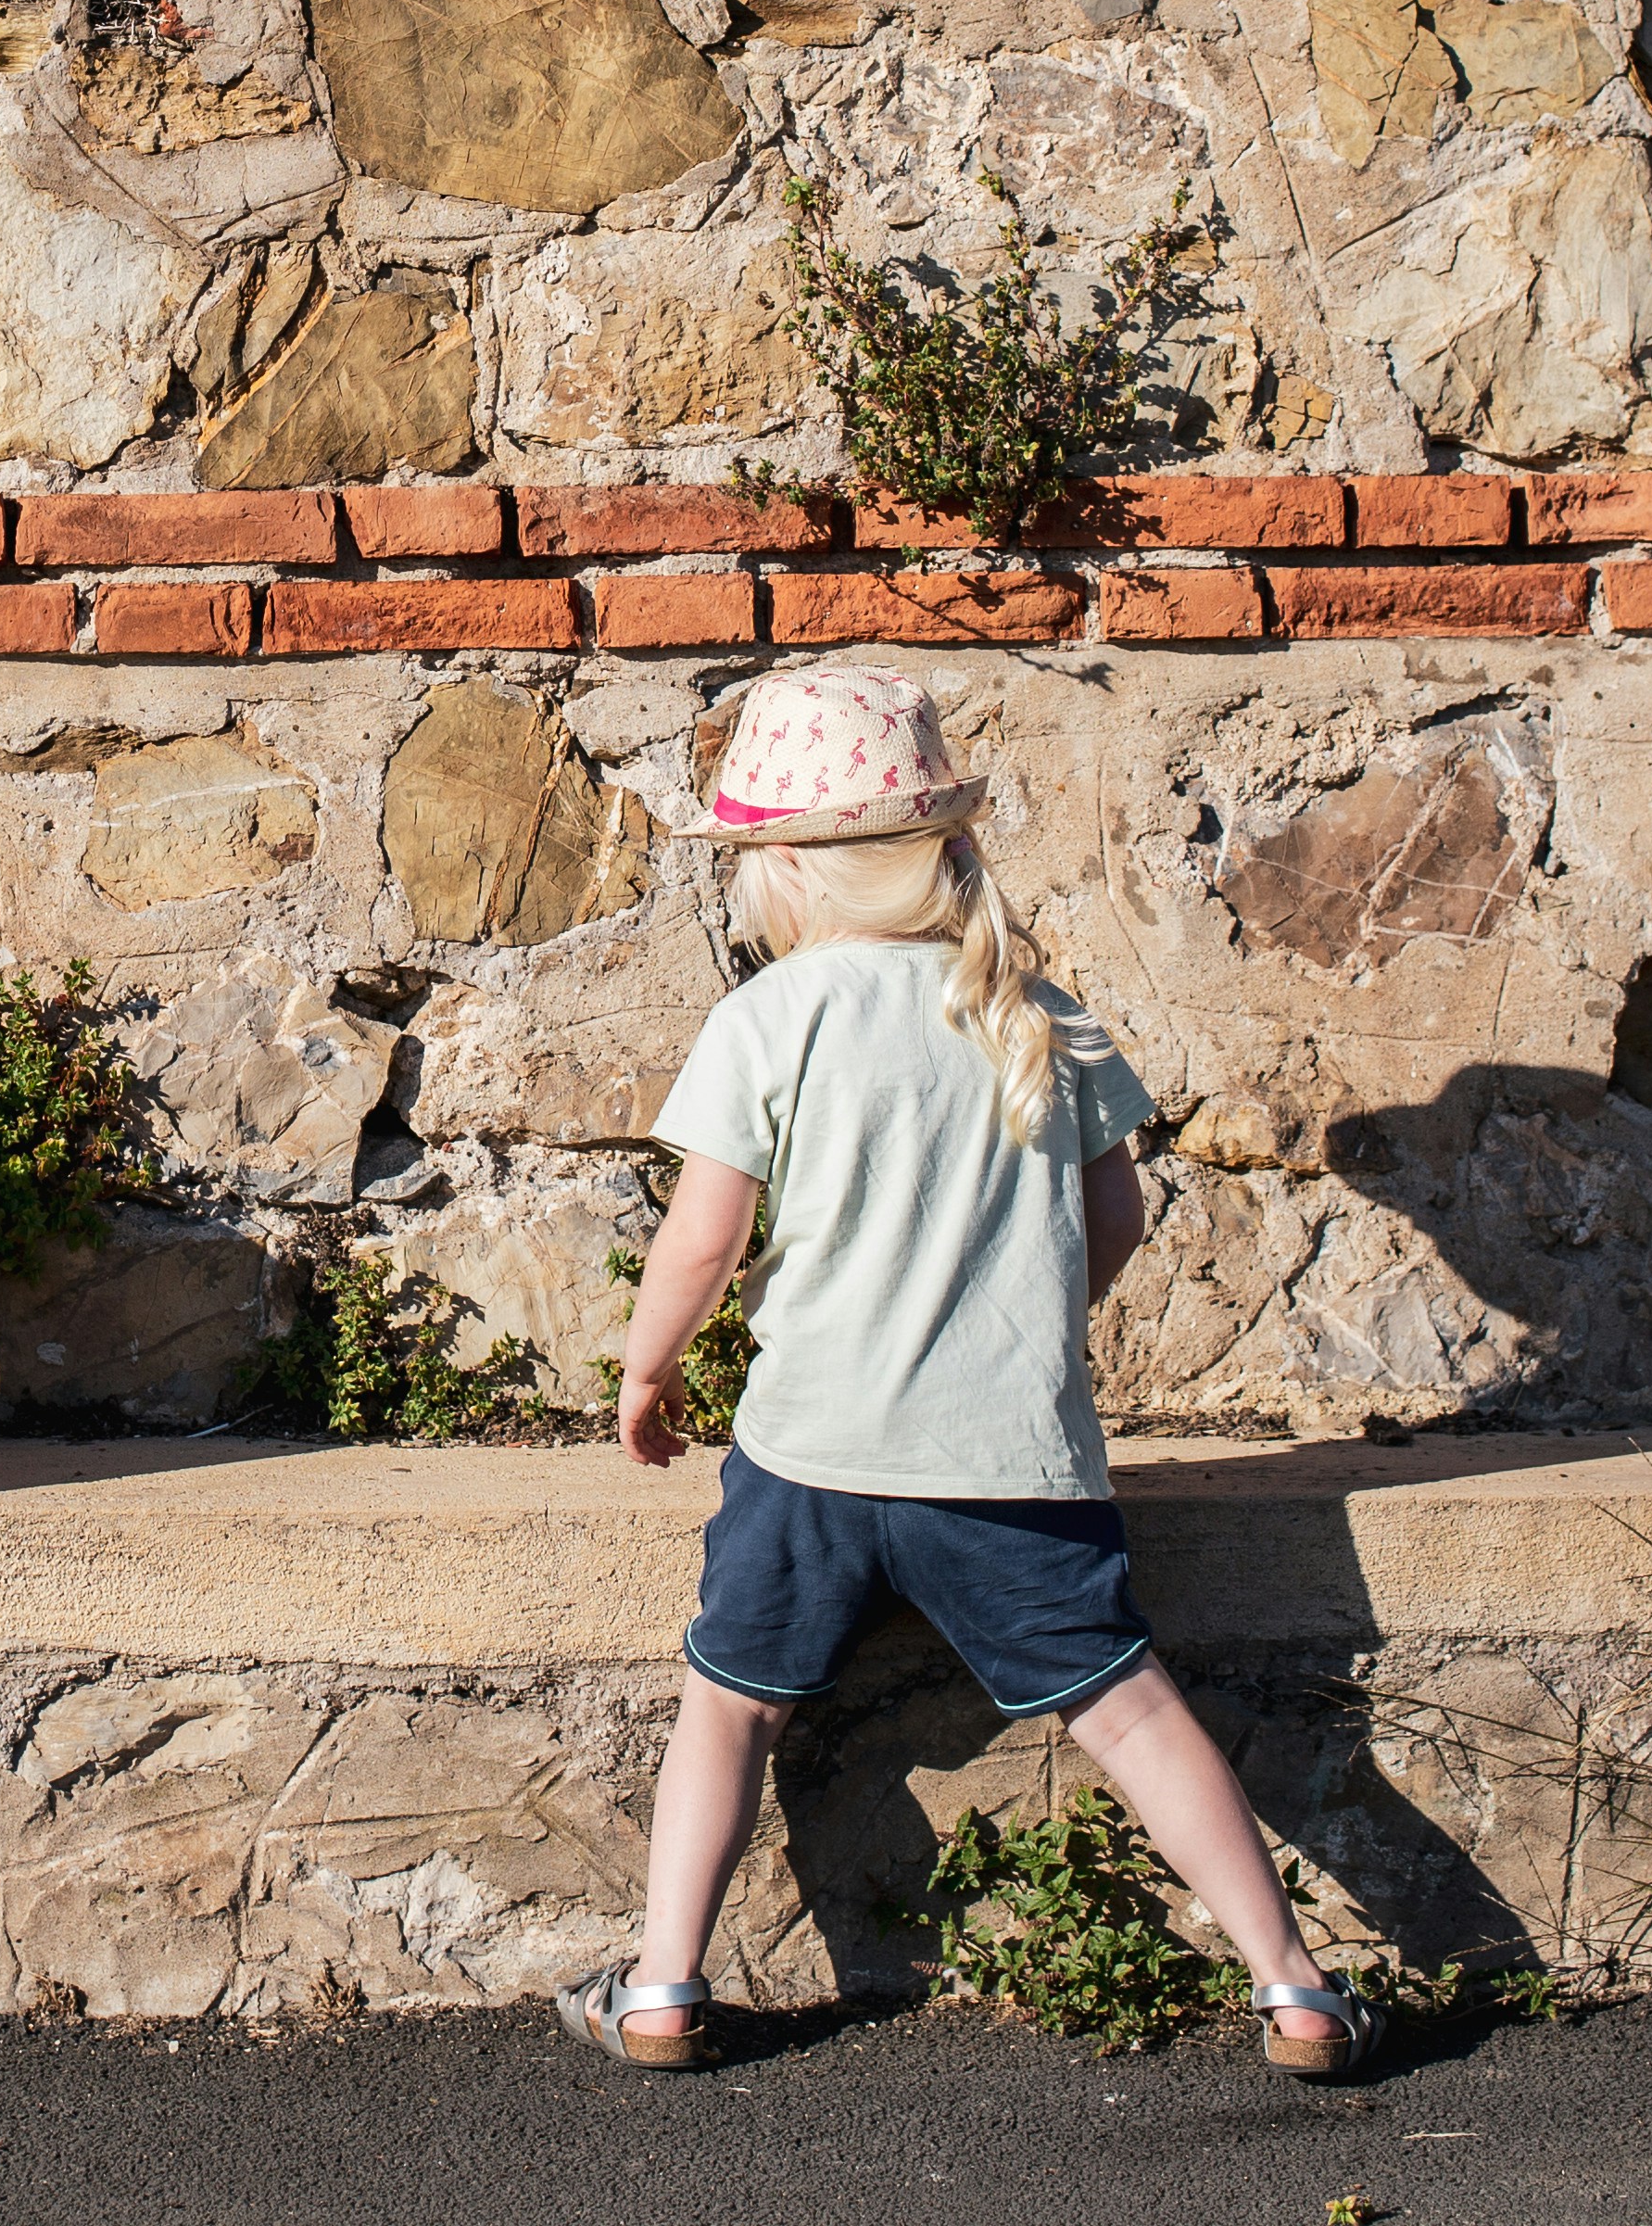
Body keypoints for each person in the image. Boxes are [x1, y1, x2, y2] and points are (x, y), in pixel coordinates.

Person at [565, 665, 1371, 2082]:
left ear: (790, 874)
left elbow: (703, 1240)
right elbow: (1113, 1221)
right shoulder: (1036, 1010)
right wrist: (1021, 1317)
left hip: (809, 1461)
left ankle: (663, 1984)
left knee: (731, 1704)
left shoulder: (773, 1017)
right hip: (1009, 1467)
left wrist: (647, 1373)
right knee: (1126, 1707)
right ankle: (1295, 1986)